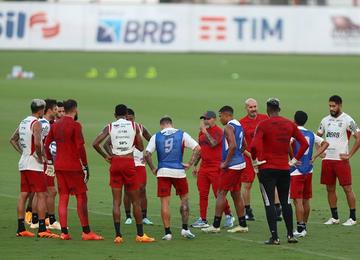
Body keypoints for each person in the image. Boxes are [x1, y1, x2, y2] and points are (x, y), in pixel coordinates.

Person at [92, 104, 155, 244]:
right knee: (136, 200)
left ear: (115, 115)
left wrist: (106, 156)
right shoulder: (134, 126)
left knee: (116, 201)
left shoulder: (110, 126)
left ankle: (118, 235)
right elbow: (140, 146)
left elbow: (95, 143)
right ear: (126, 114)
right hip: (128, 163)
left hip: (115, 163)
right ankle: (140, 235)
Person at [250, 98, 308, 245]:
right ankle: (290, 235)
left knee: (269, 203)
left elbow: (254, 146)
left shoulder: (262, 124)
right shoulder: (289, 124)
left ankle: (275, 238)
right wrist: (294, 160)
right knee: (286, 202)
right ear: (279, 109)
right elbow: (304, 143)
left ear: (268, 110)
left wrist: (255, 161)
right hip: (284, 168)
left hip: (267, 169)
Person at [45, 99, 103, 241]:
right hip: (73, 166)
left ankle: (64, 232)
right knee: (81, 196)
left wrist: (50, 162)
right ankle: (86, 232)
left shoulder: (56, 125)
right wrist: (85, 164)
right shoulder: (76, 125)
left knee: (63, 196)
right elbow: (80, 147)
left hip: (59, 165)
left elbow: (47, 144)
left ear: (65, 109)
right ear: (75, 109)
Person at [145, 116, 200, 240]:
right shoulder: (182, 134)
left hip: (163, 171)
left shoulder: (156, 136)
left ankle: (168, 233)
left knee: (165, 203)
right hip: (179, 171)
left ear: (161, 125)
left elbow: (147, 154)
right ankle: (185, 229)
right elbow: (198, 148)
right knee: (184, 200)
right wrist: (190, 164)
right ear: (171, 124)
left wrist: (153, 168)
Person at [10, 99, 59, 238]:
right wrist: (39, 156)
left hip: (23, 162)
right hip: (34, 165)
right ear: (41, 110)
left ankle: (21, 228)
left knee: (24, 194)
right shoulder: (36, 123)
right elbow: (38, 143)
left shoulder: (24, 121)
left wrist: (24, 153)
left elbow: (13, 139)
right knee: (41, 194)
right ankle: (42, 229)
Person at [202, 106, 248, 234]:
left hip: (232, 166)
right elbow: (244, 144)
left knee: (221, 192)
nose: (220, 119)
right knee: (236, 193)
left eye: (221, 116)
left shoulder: (228, 127)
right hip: (241, 164)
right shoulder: (239, 124)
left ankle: (216, 225)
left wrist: (226, 162)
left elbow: (232, 145)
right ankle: (242, 224)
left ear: (226, 115)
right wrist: (238, 156)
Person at [317, 95, 360, 226]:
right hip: (328, 160)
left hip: (341, 161)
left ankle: (352, 217)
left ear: (340, 105)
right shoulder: (325, 120)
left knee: (347, 188)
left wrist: (349, 154)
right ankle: (334, 217)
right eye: (330, 106)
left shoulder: (348, 120)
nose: (331, 108)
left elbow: (358, 137)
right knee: (330, 189)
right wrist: (320, 152)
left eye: (334, 106)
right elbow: (317, 137)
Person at [191, 111, 234, 229]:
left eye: (208, 119)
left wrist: (205, 132)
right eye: (204, 118)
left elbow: (214, 143)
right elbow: (201, 149)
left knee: (218, 194)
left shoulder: (219, 131)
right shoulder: (201, 132)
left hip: (216, 167)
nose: (205, 121)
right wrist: (196, 165)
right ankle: (203, 219)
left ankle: (229, 215)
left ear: (214, 119)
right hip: (204, 167)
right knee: (203, 194)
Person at [290, 111, 329, 237]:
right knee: (306, 200)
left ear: (294, 120)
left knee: (298, 201)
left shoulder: (293, 133)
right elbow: (325, 143)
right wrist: (315, 156)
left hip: (296, 171)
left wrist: (293, 158)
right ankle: (304, 226)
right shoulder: (311, 134)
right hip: (309, 169)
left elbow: (287, 144)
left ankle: (300, 229)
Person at [123, 108, 153, 226]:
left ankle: (144, 216)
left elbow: (152, 140)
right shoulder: (122, 130)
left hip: (139, 163)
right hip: (128, 162)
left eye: (131, 118)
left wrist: (148, 153)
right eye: (127, 119)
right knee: (127, 190)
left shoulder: (140, 127)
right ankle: (128, 216)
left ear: (134, 118)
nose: (129, 121)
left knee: (142, 189)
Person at [38, 99, 61, 230]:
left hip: (42, 161)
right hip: (46, 162)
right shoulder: (45, 124)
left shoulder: (42, 123)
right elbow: (40, 142)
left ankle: (38, 219)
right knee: (51, 191)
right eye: (56, 110)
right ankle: (51, 220)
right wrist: (44, 157)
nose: (57, 112)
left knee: (42, 191)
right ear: (49, 110)